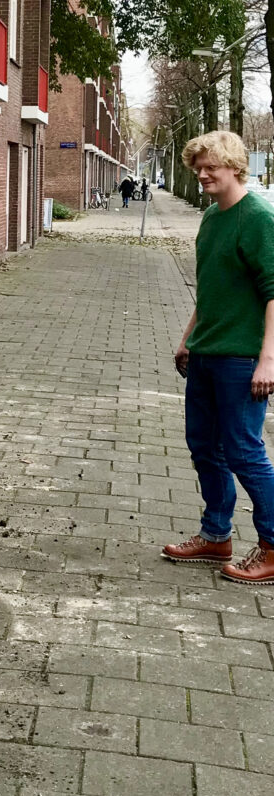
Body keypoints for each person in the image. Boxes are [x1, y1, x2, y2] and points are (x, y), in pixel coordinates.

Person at [162, 131, 274, 584]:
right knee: (204, 448)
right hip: (207, 353)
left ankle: (272, 546)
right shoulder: (211, 219)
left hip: (243, 359)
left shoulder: (258, 218)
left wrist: (269, 360)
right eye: (198, 167)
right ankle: (216, 535)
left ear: (235, 166)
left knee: (244, 452)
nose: (203, 174)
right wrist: (189, 337)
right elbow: (211, 288)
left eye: (211, 167)